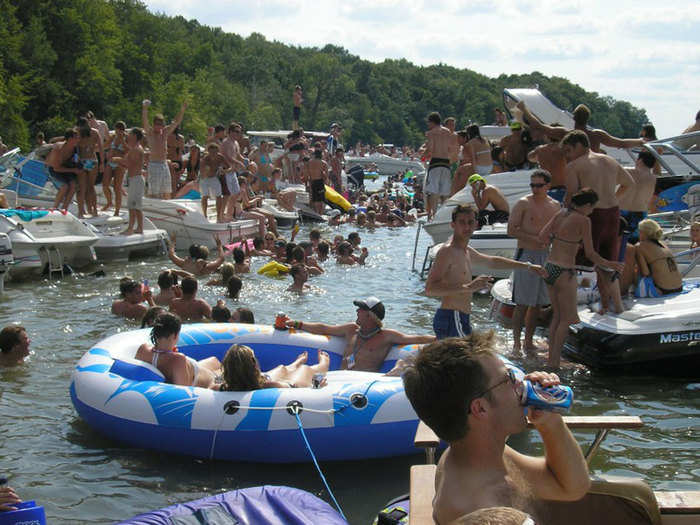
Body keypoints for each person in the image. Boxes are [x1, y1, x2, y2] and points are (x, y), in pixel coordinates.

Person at [403, 333, 591, 524]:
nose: (519, 381)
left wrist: (550, 421)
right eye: (507, 378)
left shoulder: (483, 455)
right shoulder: (474, 508)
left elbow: (572, 488)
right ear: (480, 408)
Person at [425, 205, 545, 340]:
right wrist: (469, 287)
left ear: (476, 224)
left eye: (470, 222)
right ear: (453, 225)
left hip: (460, 318)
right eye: (462, 222)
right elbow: (430, 289)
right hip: (452, 317)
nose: (466, 227)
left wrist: (526, 266)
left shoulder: (465, 250)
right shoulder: (448, 251)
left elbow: (492, 261)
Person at [539, 188, 625, 367]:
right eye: (592, 208)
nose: (592, 211)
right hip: (564, 271)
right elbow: (591, 253)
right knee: (567, 319)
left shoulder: (560, 213)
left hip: (549, 267)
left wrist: (562, 241)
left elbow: (542, 236)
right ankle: (554, 364)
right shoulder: (584, 220)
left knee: (557, 316)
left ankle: (551, 359)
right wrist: (611, 264)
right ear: (586, 205)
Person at [562, 130, 634, 313]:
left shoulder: (575, 166)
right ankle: (612, 305)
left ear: (579, 145)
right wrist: (614, 199)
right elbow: (629, 183)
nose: (567, 155)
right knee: (607, 263)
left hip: (591, 215)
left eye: (568, 150)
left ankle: (566, 307)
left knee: (577, 260)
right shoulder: (609, 160)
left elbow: (571, 197)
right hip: (612, 213)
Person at [286, 297, 435, 372]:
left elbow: (418, 338)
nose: (357, 311)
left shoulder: (387, 336)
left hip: (361, 384)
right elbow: (324, 328)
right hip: (338, 378)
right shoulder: (351, 329)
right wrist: (298, 324)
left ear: (370, 315)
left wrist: (442, 338)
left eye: (361, 309)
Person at [507, 170, 561, 355]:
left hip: (546, 255)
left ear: (548, 186)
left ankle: (528, 341)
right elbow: (511, 230)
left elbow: (558, 231)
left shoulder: (555, 205)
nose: (535, 189)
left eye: (539, 185)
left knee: (537, 303)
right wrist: (534, 238)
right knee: (522, 302)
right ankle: (516, 343)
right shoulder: (524, 203)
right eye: (532, 185)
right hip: (526, 254)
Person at [517, 101, 644, 154]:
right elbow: (622, 143)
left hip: (575, 172)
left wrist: (524, 109)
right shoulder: (597, 135)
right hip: (593, 172)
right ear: (588, 118)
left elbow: (539, 126)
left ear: (573, 117)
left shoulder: (565, 134)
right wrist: (641, 141)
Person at [135, 312, 221, 387]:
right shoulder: (178, 359)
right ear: (174, 336)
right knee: (221, 370)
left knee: (214, 360)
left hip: (194, 368)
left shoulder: (143, 350)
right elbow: (184, 392)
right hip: (207, 379)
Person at [215, 345, 329, 391]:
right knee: (304, 369)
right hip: (292, 384)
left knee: (282, 368)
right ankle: (324, 362)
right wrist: (317, 386)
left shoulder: (220, 387)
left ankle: (296, 362)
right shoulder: (270, 385)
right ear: (254, 364)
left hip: (258, 380)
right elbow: (301, 391)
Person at [142, 98, 187, 199]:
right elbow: (145, 121)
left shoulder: (165, 133)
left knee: (167, 190)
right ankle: (151, 207)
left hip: (164, 164)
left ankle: (166, 206)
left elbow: (176, 122)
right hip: (153, 164)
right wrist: (145, 108)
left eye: (160, 124)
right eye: (156, 124)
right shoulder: (150, 133)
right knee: (153, 191)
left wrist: (182, 110)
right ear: (153, 124)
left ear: (163, 125)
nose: (158, 126)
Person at [635, 219, 683, 295]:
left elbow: (645, 272)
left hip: (662, 289)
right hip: (679, 287)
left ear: (643, 233)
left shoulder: (640, 246)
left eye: (639, 231)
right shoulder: (663, 245)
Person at [112, 127, 146, 234]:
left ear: (135, 136)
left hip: (136, 180)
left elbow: (129, 164)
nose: (128, 135)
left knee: (134, 206)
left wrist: (117, 159)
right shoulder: (134, 148)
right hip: (134, 180)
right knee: (134, 206)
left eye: (130, 134)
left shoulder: (136, 149)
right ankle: (138, 228)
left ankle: (132, 228)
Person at [424, 112, 453, 219]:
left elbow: (431, 148)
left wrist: (423, 155)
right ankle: (445, 215)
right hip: (446, 162)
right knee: (445, 191)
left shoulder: (431, 133)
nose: (428, 125)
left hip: (435, 162)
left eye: (428, 122)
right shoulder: (448, 131)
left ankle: (433, 214)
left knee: (433, 190)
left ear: (432, 122)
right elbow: (450, 148)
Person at [527, 129, 567, 203]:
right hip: (562, 189)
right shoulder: (564, 150)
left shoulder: (540, 149)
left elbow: (530, 157)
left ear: (548, 137)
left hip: (544, 190)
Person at [46, 128, 80, 211]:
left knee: (73, 185)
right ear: (70, 139)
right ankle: (54, 207)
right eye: (76, 137)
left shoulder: (75, 149)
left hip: (65, 168)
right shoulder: (58, 148)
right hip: (53, 169)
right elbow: (56, 168)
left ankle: (64, 208)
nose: (78, 139)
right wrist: (73, 170)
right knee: (64, 186)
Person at [102, 121, 128, 213]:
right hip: (110, 162)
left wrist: (123, 142)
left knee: (117, 188)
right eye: (117, 130)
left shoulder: (127, 138)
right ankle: (109, 202)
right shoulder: (113, 137)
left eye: (120, 130)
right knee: (105, 185)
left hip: (120, 164)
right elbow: (104, 146)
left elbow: (129, 150)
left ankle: (117, 210)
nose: (118, 132)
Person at [199, 142, 228, 223]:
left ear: (218, 151)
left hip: (214, 178)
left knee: (219, 196)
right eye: (211, 152)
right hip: (204, 179)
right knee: (205, 196)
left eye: (215, 152)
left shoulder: (220, 157)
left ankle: (219, 216)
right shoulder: (205, 159)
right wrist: (206, 171)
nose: (213, 154)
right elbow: (202, 173)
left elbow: (229, 167)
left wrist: (224, 170)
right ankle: (204, 215)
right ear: (208, 151)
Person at [307, 147, 328, 215]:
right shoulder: (323, 163)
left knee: (315, 199)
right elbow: (326, 175)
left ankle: (316, 213)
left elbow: (308, 173)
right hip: (320, 181)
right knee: (321, 199)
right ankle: (320, 213)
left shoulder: (309, 162)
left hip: (312, 181)